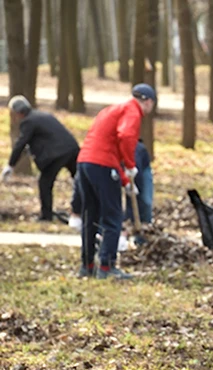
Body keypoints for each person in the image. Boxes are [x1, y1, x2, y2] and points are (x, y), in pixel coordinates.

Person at [75, 84, 156, 280]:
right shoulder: (133, 111)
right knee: (112, 217)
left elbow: (108, 144)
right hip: (103, 164)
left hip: (85, 162)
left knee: (90, 215)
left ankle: (87, 265)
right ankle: (107, 267)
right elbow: (126, 136)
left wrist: (125, 180)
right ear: (148, 101)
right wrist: (130, 165)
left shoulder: (112, 109)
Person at [2, 96, 80, 222]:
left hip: (56, 155)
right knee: (80, 182)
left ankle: (46, 216)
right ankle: (83, 212)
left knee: (45, 183)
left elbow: (20, 143)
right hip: (72, 150)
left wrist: (10, 165)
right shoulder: (43, 115)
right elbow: (46, 137)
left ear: (18, 113)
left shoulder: (28, 121)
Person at [123, 140, 153, 224]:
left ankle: (145, 227)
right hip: (119, 170)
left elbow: (137, 180)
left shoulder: (135, 152)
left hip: (140, 168)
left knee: (145, 201)